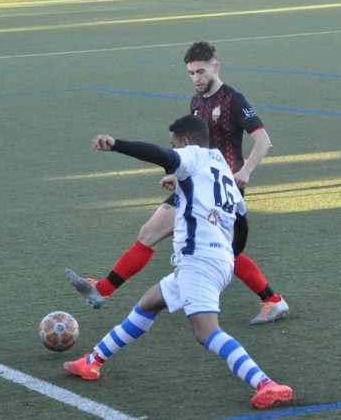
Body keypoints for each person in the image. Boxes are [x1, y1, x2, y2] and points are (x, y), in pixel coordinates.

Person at [64, 115, 293, 410]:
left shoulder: (192, 155)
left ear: (185, 143)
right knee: (149, 304)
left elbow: (160, 155)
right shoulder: (219, 165)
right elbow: (242, 222)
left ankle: (265, 383)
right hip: (216, 260)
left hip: (198, 260)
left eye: (174, 143)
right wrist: (228, 256)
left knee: (205, 332)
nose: (171, 148)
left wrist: (116, 144)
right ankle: (92, 361)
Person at [67, 41, 289, 325]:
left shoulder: (233, 100)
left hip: (218, 191)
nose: (196, 78)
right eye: (191, 73)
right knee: (211, 248)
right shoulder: (196, 103)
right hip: (194, 184)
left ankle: (104, 290)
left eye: (201, 71)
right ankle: (272, 300)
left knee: (188, 243)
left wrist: (245, 172)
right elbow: (192, 150)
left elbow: (263, 141)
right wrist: (177, 174)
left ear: (215, 67)